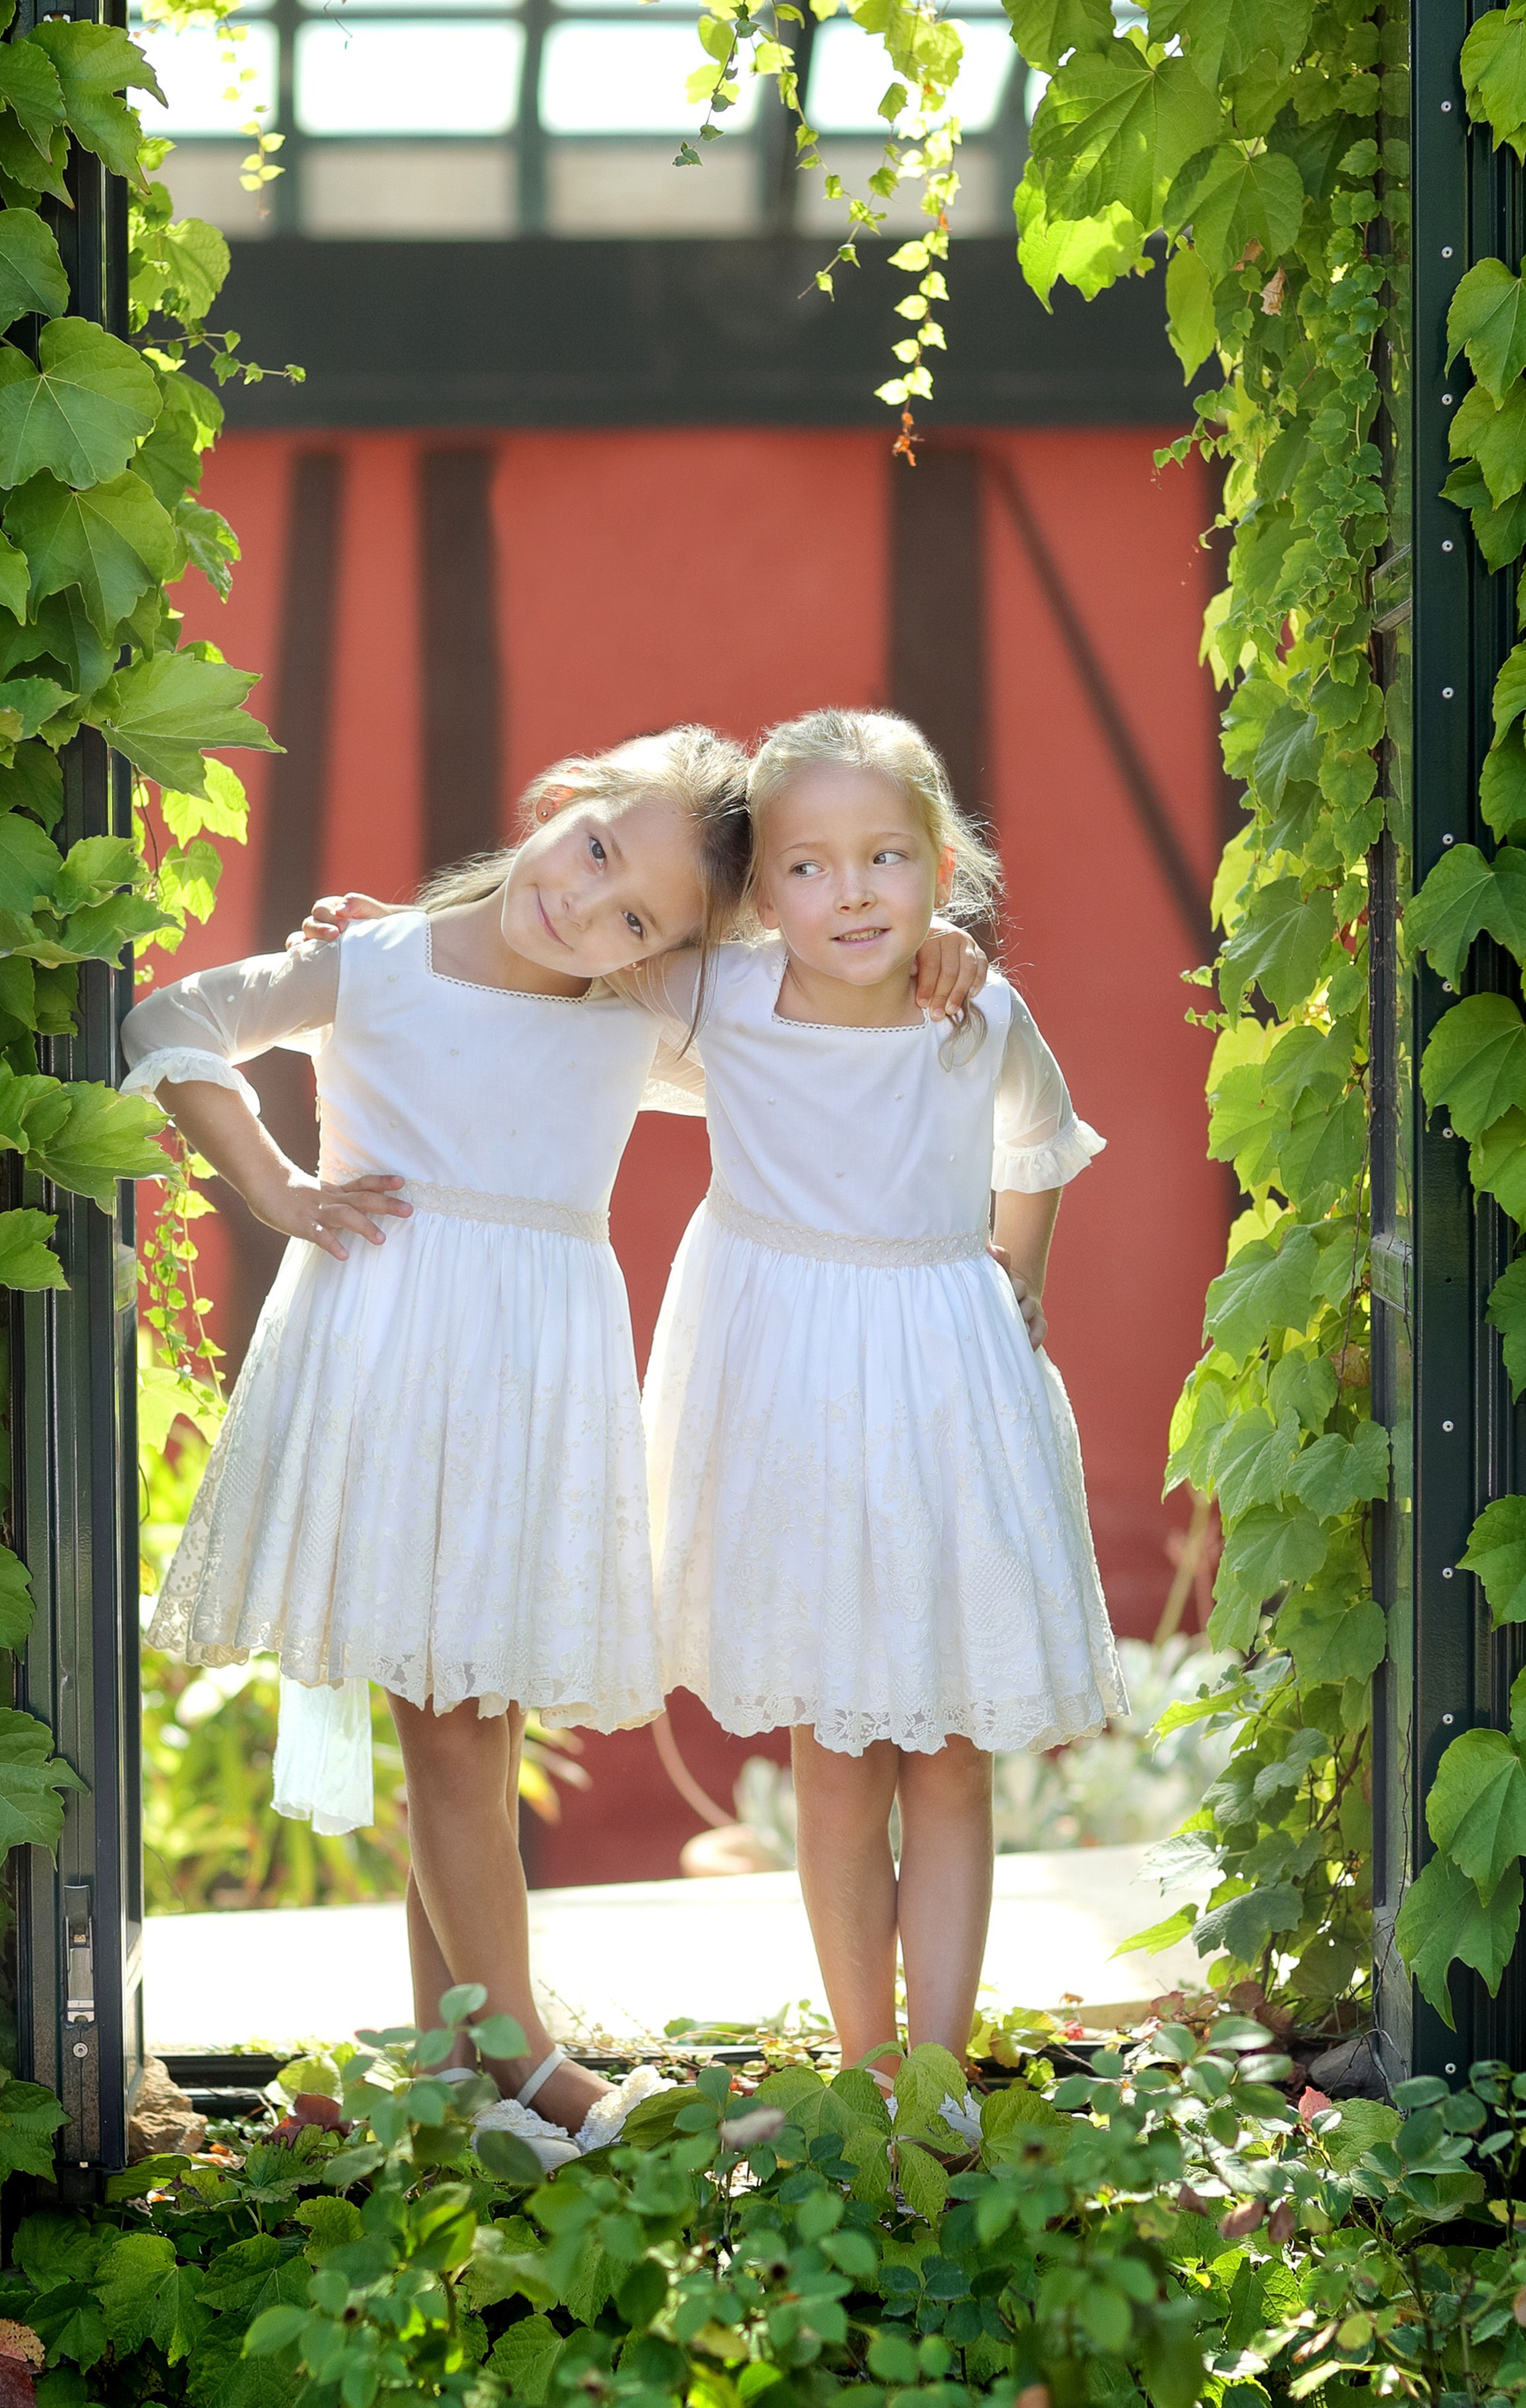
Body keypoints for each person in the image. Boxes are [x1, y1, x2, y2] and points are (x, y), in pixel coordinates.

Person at [132, 726, 983, 2159]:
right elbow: (173, 1020)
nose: (587, 907)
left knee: (477, 1718)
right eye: (594, 852)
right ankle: (531, 2062)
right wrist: (273, 1185)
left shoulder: (626, 1015)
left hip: (530, 1390)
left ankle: (452, 2064)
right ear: (561, 801)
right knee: (452, 1730)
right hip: (396, 1374)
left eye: (638, 919)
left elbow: (815, 1032)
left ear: (666, 952)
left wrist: (926, 953)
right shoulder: (375, 962)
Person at [643, 708, 1125, 2093]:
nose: (850, 892)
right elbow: (564, 969)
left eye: (886, 857)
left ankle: (937, 2082)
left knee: (951, 1750)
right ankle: (866, 2077)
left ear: (942, 865)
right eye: (807, 866)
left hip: (939, 1398)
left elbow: (1038, 1136)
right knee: (838, 1749)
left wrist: (1020, 1282)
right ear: (757, 890)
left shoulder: (977, 1012)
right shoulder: (723, 999)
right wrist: (395, 941)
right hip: (792, 1407)